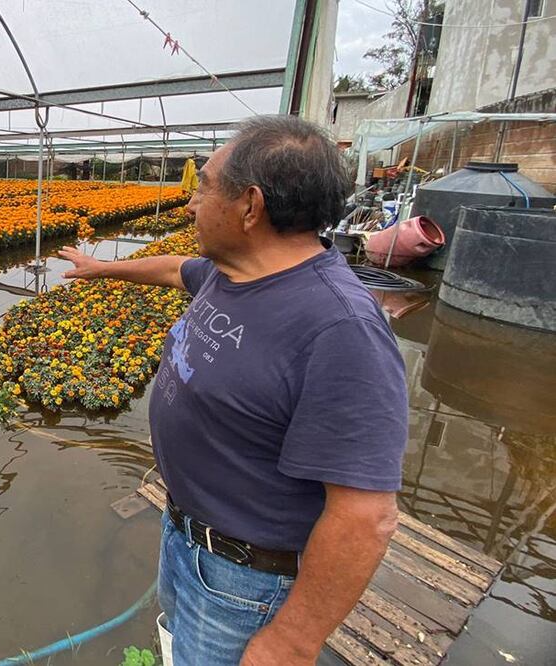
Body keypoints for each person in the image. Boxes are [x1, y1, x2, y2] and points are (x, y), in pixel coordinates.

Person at [58, 115, 407, 666]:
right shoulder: (233, 271)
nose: (191, 206)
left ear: (250, 206)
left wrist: (292, 642)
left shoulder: (340, 329)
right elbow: (176, 269)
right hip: (187, 536)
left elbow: (366, 514)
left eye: (203, 189)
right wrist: (102, 268)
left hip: (243, 582)